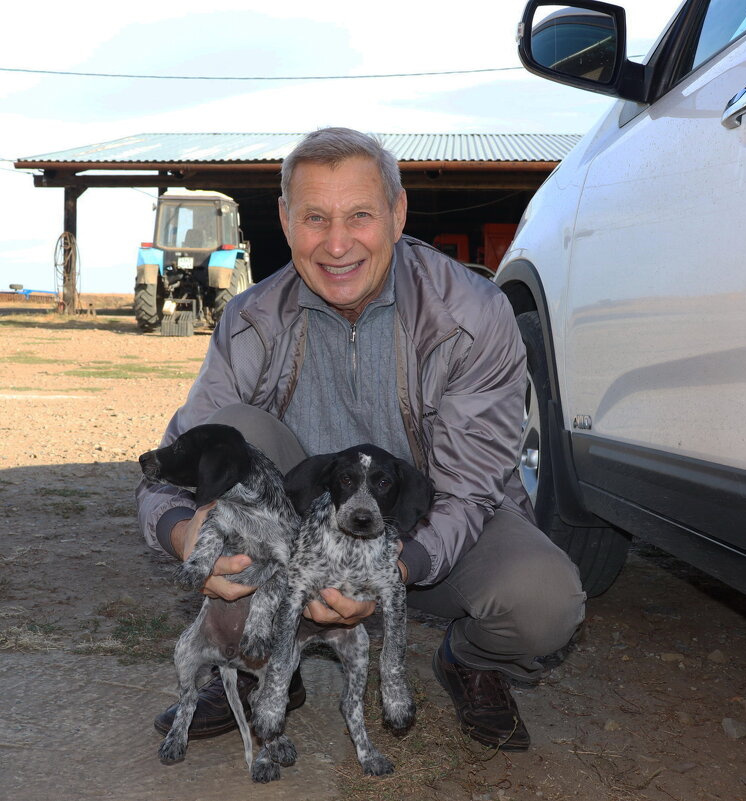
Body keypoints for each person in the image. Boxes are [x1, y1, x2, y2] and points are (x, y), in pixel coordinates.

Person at [136, 127, 586, 751]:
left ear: (398, 215)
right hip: (301, 536)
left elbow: (468, 490)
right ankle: (259, 658)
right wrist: (184, 534)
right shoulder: (249, 320)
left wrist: (388, 572)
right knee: (233, 432)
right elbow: (172, 468)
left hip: (431, 522)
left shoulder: (474, 314)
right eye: (315, 217)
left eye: (360, 216)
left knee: (544, 601)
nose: (337, 243)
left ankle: (471, 660)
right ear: (285, 221)